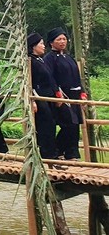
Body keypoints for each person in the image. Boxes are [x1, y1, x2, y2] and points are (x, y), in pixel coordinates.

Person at [44, 27, 87, 160]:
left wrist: (83, 94)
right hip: (62, 96)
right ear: (51, 42)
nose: (62, 41)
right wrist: (57, 94)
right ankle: (58, 149)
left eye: (64, 39)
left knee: (76, 125)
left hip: (75, 95)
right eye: (59, 39)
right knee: (68, 124)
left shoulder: (69, 58)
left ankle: (71, 153)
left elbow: (78, 77)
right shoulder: (49, 59)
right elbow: (49, 78)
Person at [27, 32, 63, 167]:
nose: (43, 46)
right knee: (45, 126)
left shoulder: (40, 60)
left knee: (52, 125)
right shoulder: (29, 61)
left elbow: (51, 79)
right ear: (33, 46)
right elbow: (28, 82)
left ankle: (52, 157)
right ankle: (47, 157)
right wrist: (34, 100)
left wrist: (57, 94)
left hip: (49, 96)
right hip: (39, 96)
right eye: (41, 44)